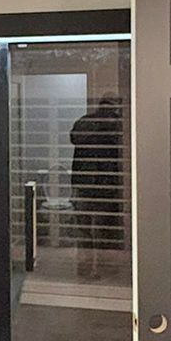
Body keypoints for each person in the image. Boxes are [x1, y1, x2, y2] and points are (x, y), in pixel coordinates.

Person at [70, 94, 124, 278]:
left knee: (99, 229)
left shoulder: (116, 126)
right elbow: (75, 137)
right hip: (91, 184)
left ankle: (97, 267)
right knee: (88, 229)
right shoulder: (87, 123)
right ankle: (89, 266)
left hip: (100, 184)